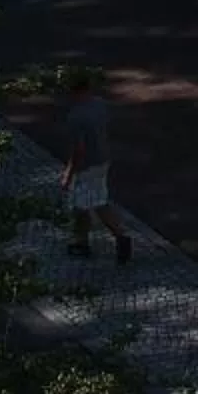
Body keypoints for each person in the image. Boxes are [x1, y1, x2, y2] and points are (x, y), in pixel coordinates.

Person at [59, 66, 132, 264]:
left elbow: (78, 150)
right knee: (92, 202)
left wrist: (68, 173)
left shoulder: (76, 116)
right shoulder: (99, 104)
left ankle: (109, 238)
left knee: (87, 205)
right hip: (102, 160)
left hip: (86, 166)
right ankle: (90, 240)